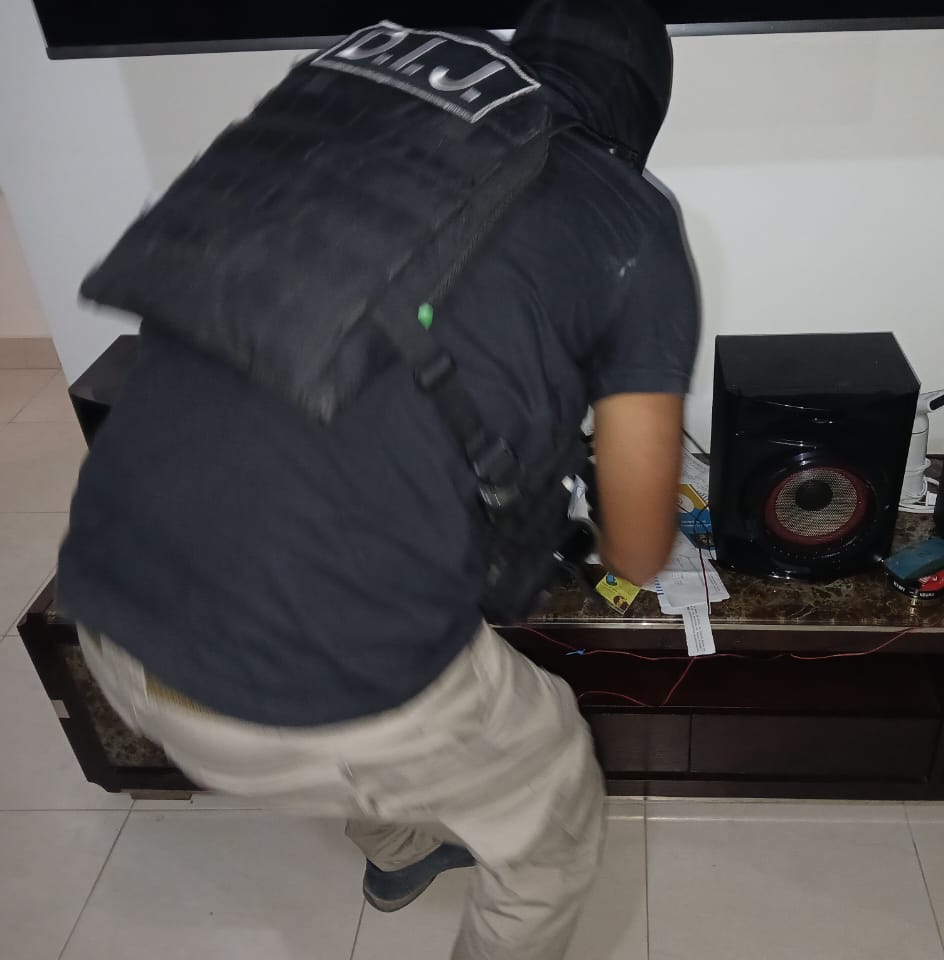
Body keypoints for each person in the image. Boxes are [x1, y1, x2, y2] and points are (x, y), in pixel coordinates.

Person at [57, 0, 699, 957]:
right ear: (641, 117)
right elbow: (639, 553)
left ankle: (399, 847)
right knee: (554, 800)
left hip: (107, 620)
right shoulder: (632, 221)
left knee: (366, 569)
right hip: (301, 697)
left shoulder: (364, 120)